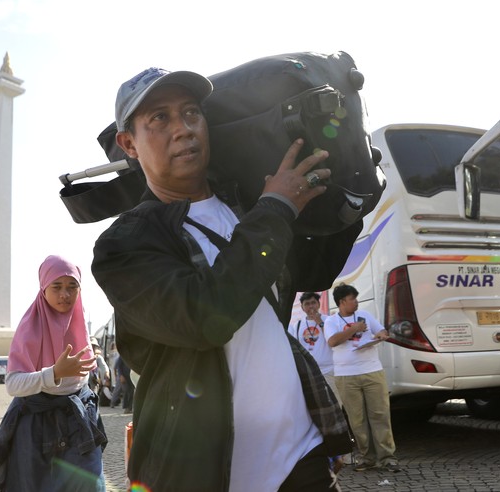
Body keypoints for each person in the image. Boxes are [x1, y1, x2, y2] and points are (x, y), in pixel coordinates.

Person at [91, 67, 351, 491]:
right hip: (207, 475)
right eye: (160, 118)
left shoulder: (246, 204)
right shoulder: (123, 244)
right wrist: (276, 210)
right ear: (129, 144)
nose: (183, 129)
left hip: (301, 459)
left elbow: (312, 276)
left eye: (191, 112)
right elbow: (204, 317)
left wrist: (344, 193)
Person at [0, 255, 108, 491]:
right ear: (43, 288)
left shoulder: (78, 321)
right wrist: (54, 373)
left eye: (73, 287)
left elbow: (83, 372)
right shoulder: (30, 328)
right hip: (39, 425)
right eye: (56, 287)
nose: (65, 295)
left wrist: (96, 365)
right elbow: (13, 384)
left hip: (80, 419)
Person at [324, 283, 399, 473]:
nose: (357, 302)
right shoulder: (331, 321)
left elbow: (381, 330)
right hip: (345, 376)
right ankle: (367, 457)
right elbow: (333, 341)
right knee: (357, 420)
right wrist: (354, 328)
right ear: (342, 302)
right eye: (353, 299)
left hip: (372, 371)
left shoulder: (366, 315)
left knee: (380, 414)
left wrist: (381, 335)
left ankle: (387, 457)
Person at [288, 292, 340, 404]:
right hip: (309, 372)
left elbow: (333, 340)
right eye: (307, 304)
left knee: (335, 403)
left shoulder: (329, 320)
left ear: (318, 304)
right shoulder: (297, 325)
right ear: (302, 307)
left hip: (330, 371)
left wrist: (320, 322)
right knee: (315, 404)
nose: (311, 306)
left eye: (313, 303)